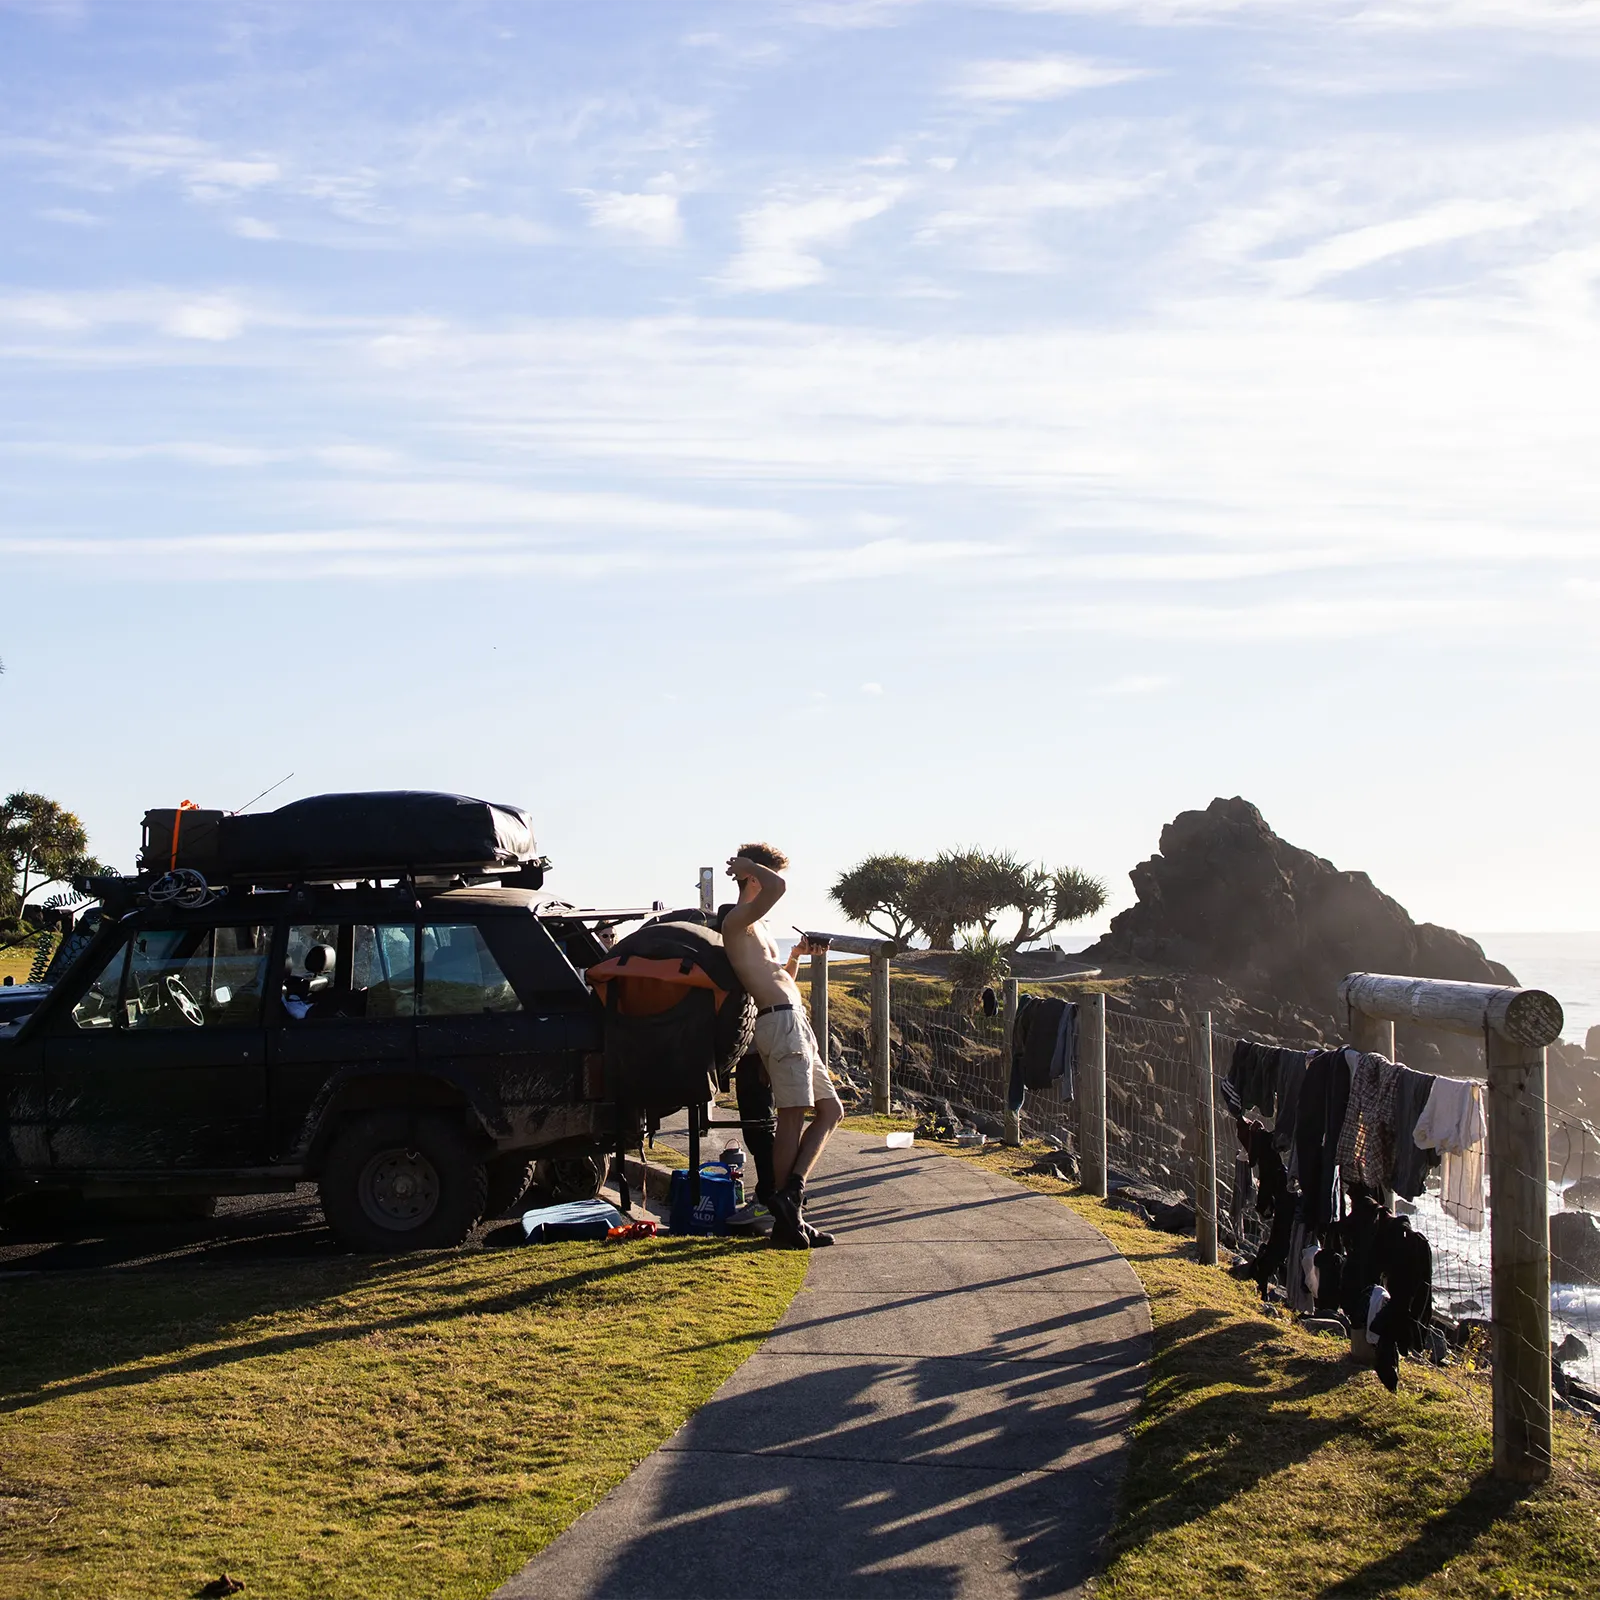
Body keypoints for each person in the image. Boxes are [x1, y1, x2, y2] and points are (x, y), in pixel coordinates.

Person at [722, 844, 843, 1250]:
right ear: (753, 876)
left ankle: (790, 1197)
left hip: (793, 1020)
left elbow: (777, 978)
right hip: (778, 1021)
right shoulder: (737, 919)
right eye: (762, 872)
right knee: (791, 1115)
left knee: (831, 1110)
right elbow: (779, 886)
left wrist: (795, 957)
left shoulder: (759, 927)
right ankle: (787, 1217)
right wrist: (750, 867)